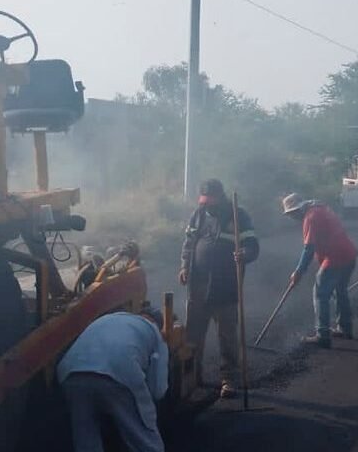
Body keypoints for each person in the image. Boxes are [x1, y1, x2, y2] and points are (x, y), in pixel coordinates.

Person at [179, 179, 259, 398]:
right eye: (203, 202)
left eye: (210, 202)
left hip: (226, 286)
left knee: (227, 337)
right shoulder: (198, 214)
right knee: (193, 334)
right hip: (198, 286)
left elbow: (253, 246)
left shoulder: (238, 216)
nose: (207, 206)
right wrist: (185, 266)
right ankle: (194, 376)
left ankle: (229, 379)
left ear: (221, 197)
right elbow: (188, 243)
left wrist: (245, 254)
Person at [57, 308, 169, 452]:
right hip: (118, 372)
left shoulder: (109, 318)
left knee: (86, 441)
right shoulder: (153, 331)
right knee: (144, 441)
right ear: (157, 324)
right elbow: (158, 390)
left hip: (72, 372)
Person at [282, 193, 358, 348]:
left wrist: (298, 271)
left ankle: (322, 335)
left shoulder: (310, 217)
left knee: (320, 293)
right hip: (349, 255)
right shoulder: (322, 208)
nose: (291, 217)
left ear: (299, 209)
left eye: (292, 213)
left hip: (335, 258)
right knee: (340, 291)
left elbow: (308, 249)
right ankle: (345, 328)